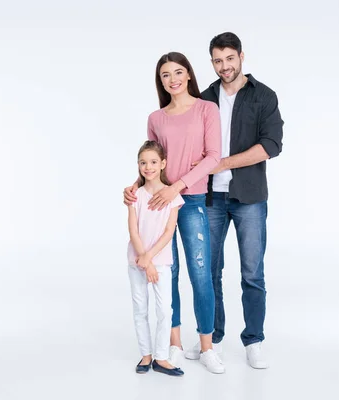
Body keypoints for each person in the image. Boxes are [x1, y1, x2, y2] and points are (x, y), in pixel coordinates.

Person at [185, 32, 284, 369]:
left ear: (242, 56)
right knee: (208, 271)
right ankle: (212, 339)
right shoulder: (203, 98)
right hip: (209, 196)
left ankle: (254, 341)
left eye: (229, 59)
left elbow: (270, 145)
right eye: (217, 60)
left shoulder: (264, 96)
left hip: (249, 197)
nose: (224, 66)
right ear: (211, 62)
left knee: (252, 273)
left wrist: (222, 162)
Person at [124, 52, 225, 374]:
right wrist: (135, 185)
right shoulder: (156, 118)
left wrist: (176, 186)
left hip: (192, 200)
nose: (173, 79)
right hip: (158, 205)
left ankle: (207, 347)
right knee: (170, 274)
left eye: (178, 72)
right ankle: (174, 344)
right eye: (166, 75)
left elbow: (213, 157)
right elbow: (151, 162)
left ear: (189, 75)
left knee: (201, 275)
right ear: (161, 81)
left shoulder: (207, 109)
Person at [127, 140, 185, 376]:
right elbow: (133, 230)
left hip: (159, 262)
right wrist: (143, 259)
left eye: (153, 162)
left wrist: (150, 259)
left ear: (163, 164)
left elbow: (169, 231)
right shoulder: (135, 195)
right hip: (137, 261)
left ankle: (161, 357)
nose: (147, 167)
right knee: (140, 308)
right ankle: (146, 355)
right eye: (143, 162)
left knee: (165, 310)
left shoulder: (173, 197)